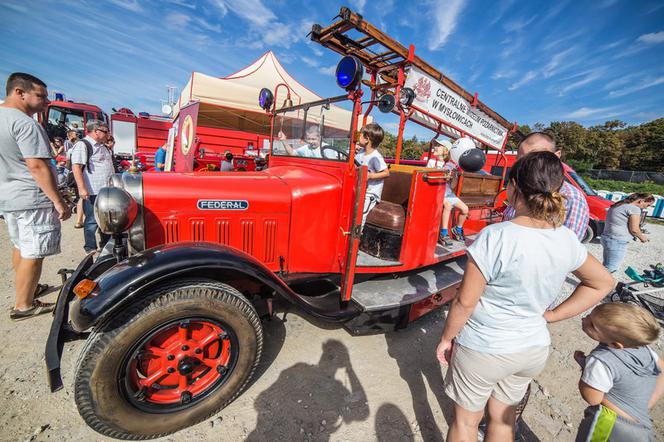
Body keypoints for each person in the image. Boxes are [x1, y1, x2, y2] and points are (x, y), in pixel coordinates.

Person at [436, 151, 614, 442]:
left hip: (485, 346)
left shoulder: (496, 235)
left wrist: (446, 339)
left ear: (514, 186)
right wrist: (552, 315)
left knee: (466, 423)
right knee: (503, 422)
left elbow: (464, 301)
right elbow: (601, 282)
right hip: (531, 348)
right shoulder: (566, 238)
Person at [0, 72, 71, 320]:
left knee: (20, 245)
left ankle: (26, 288)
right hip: (30, 196)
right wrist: (58, 200)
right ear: (19, 92)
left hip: (10, 196)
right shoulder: (25, 123)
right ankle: (24, 305)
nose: (46, 102)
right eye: (40, 96)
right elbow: (37, 166)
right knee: (34, 251)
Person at [574, 303, 663, 441]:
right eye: (589, 315)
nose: (584, 319)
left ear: (615, 344)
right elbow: (662, 369)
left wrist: (588, 372)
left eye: (592, 325)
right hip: (641, 426)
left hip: (610, 424)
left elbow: (592, 398)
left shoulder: (600, 361)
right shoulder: (646, 351)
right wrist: (648, 403)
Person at [503, 132, 589, 241]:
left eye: (538, 157)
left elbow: (566, 251)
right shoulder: (519, 189)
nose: (528, 164)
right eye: (522, 159)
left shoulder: (571, 198)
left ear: (556, 157)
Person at [71, 120, 114, 253]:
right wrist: (82, 188)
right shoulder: (83, 145)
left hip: (105, 189)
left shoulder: (102, 146)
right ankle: (90, 247)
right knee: (91, 220)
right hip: (93, 190)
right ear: (96, 131)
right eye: (105, 132)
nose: (108, 135)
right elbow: (76, 167)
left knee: (105, 218)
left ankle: (105, 244)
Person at [427, 138, 469, 244]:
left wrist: (454, 176)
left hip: (448, 193)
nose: (435, 147)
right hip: (436, 192)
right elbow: (428, 176)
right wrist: (443, 174)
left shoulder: (451, 165)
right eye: (436, 145)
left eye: (438, 145)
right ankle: (444, 232)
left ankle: (457, 230)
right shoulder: (432, 162)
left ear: (446, 151)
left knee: (465, 209)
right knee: (448, 205)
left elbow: (453, 186)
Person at [601, 192, 654, 273]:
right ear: (641, 201)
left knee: (606, 265)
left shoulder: (619, 205)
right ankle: (597, 284)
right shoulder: (634, 208)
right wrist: (642, 237)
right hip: (617, 241)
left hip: (608, 238)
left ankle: (596, 283)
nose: (646, 208)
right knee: (611, 268)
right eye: (647, 205)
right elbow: (634, 229)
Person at [355, 123, 389, 226]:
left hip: (370, 194)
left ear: (366, 139)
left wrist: (370, 176)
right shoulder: (360, 152)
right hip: (359, 190)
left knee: (360, 215)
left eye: (360, 135)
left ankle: (357, 235)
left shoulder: (376, 156)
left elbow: (386, 173)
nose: (358, 137)